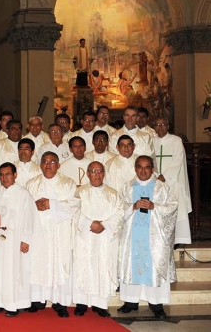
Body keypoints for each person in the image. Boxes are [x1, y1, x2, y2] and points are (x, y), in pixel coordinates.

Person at [117, 156, 178, 319]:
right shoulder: (127, 187)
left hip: (154, 237)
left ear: (152, 169)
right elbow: (117, 208)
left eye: (147, 167)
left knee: (154, 266)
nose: (143, 170)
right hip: (132, 235)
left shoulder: (161, 188)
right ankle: (130, 302)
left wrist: (154, 206)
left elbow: (172, 207)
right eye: (140, 167)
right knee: (132, 266)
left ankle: (156, 304)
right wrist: (133, 206)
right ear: (135, 168)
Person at [0, 163, 43, 316]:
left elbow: (31, 218)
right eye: (2, 175)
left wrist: (25, 240)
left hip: (15, 240)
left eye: (8, 174)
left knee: (15, 269)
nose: (5, 178)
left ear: (15, 175)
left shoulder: (23, 194)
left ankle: (15, 303)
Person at [26, 152, 80, 317]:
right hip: (39, 232)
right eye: (45, 162)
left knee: (59, 263)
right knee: (38, 263)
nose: (48, 165)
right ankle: (37, 299)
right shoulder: (31, 184)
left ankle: (60, 302)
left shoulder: (68, 184)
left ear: (58, 165)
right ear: (40, 164)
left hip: (60, 233)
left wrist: (51, 204)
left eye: (52, 162)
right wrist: (33, 205)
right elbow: (25, 207)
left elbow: (75, 204)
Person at [72, 161, 123, 318]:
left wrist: (104, 225)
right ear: (87, 174)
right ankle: (81, 303)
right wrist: (89, 223)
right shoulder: (79, 192)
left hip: (105, 238)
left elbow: (120, 213)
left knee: (103, 267)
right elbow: (74, 211)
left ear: (104, 173)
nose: (97, 174)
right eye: (93, 171)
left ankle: (100, 304)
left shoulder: (113, 194)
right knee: (83, 267)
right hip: (85, 237)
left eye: (100, 171)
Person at [153, 117, 192, 245]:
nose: (160, 127)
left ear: (168, 126)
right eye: (158, 125)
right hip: (156, 181)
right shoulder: (151, 141)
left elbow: (178, 159)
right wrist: (156, 175)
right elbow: (150, 160)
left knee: (175, 209)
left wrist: (165, 176)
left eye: (163, 124)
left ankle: (177, 240)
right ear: (154, 127)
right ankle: (160, 239)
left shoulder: (176, 140)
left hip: (173, 181)